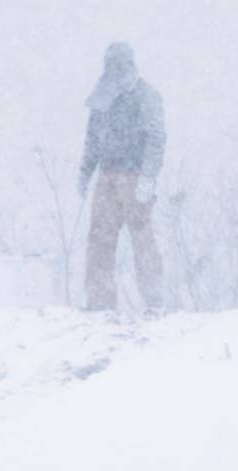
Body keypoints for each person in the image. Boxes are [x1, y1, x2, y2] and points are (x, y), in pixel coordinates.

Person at [77, 41, 167, 313]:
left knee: (142, 237)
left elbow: (156, 138)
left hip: (135, 175)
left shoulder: (146, 95)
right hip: (106, 175)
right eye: (111, 65)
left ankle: (154, 300)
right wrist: (85, 172)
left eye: (121, 65)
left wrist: (148, 177)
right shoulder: (102, 95)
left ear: (131, 65)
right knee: (99, 238)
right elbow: (92, 137)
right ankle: (100, 301)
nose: (116, 71)